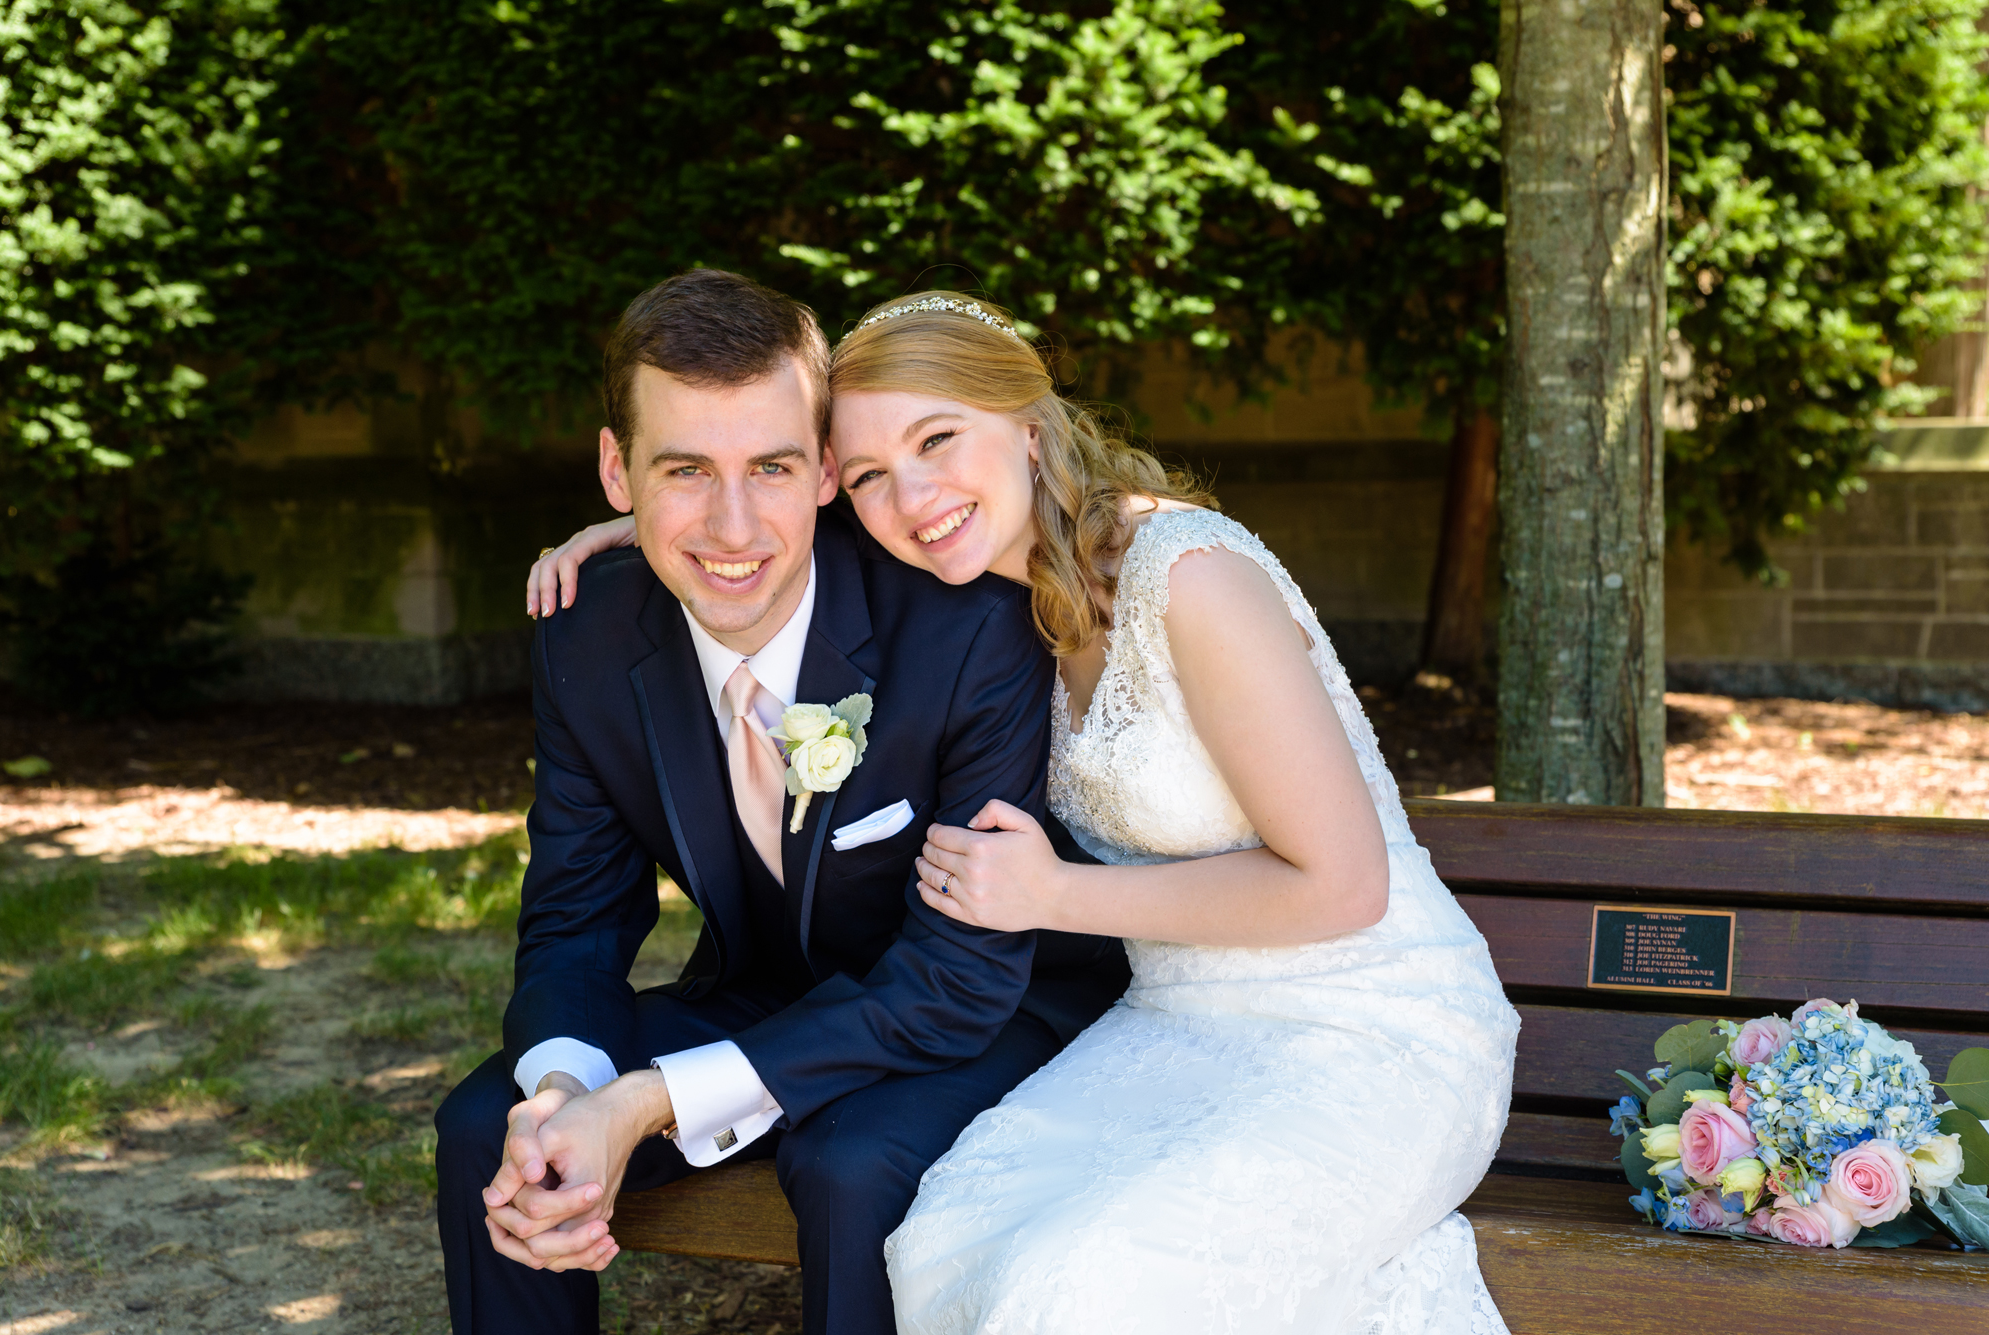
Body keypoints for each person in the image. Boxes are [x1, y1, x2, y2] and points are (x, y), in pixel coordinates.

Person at [529, 291, 1521, 1332]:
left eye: (937, 440)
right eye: (867, 474)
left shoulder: (1189, 577)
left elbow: (1344, 886)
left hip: (1370, 1032)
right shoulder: (1007, 606)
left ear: (1030, 427)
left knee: (1081, 1282)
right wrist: (642, 533)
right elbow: (754, 503)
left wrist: (1054, 892)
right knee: (942, 1240)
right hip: (1176, 1027)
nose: (910, 495)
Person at [440, 271, 1130, 1335]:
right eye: (684, 470)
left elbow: (957, 980)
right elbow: (575, 923)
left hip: (989, 1005)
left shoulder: (961, 629)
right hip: (767, 991)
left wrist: (650, 1101)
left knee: (848, 1160)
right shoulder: (587, 635)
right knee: (498, 1122)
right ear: (616, 471)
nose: (731, 524)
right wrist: (566, 1091)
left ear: (821, 473)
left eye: (770, 466)